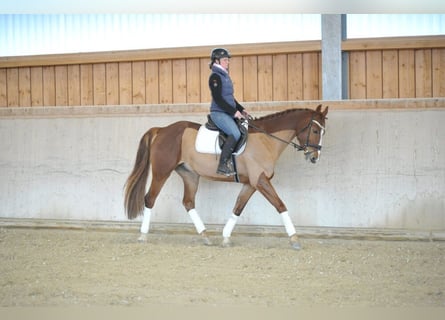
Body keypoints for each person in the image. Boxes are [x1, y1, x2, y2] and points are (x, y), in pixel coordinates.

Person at [208, 48, 248, 176]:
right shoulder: (215, 77)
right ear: (216, 61)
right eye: (225, 60)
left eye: (228, 60)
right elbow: (219, 99)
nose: (227, 62)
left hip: (227, 112)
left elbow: (229, 97)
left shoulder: (225, 76)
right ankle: (223, 165)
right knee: (235, 134)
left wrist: (241, 109)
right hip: (218, 113)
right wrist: (234, 112)